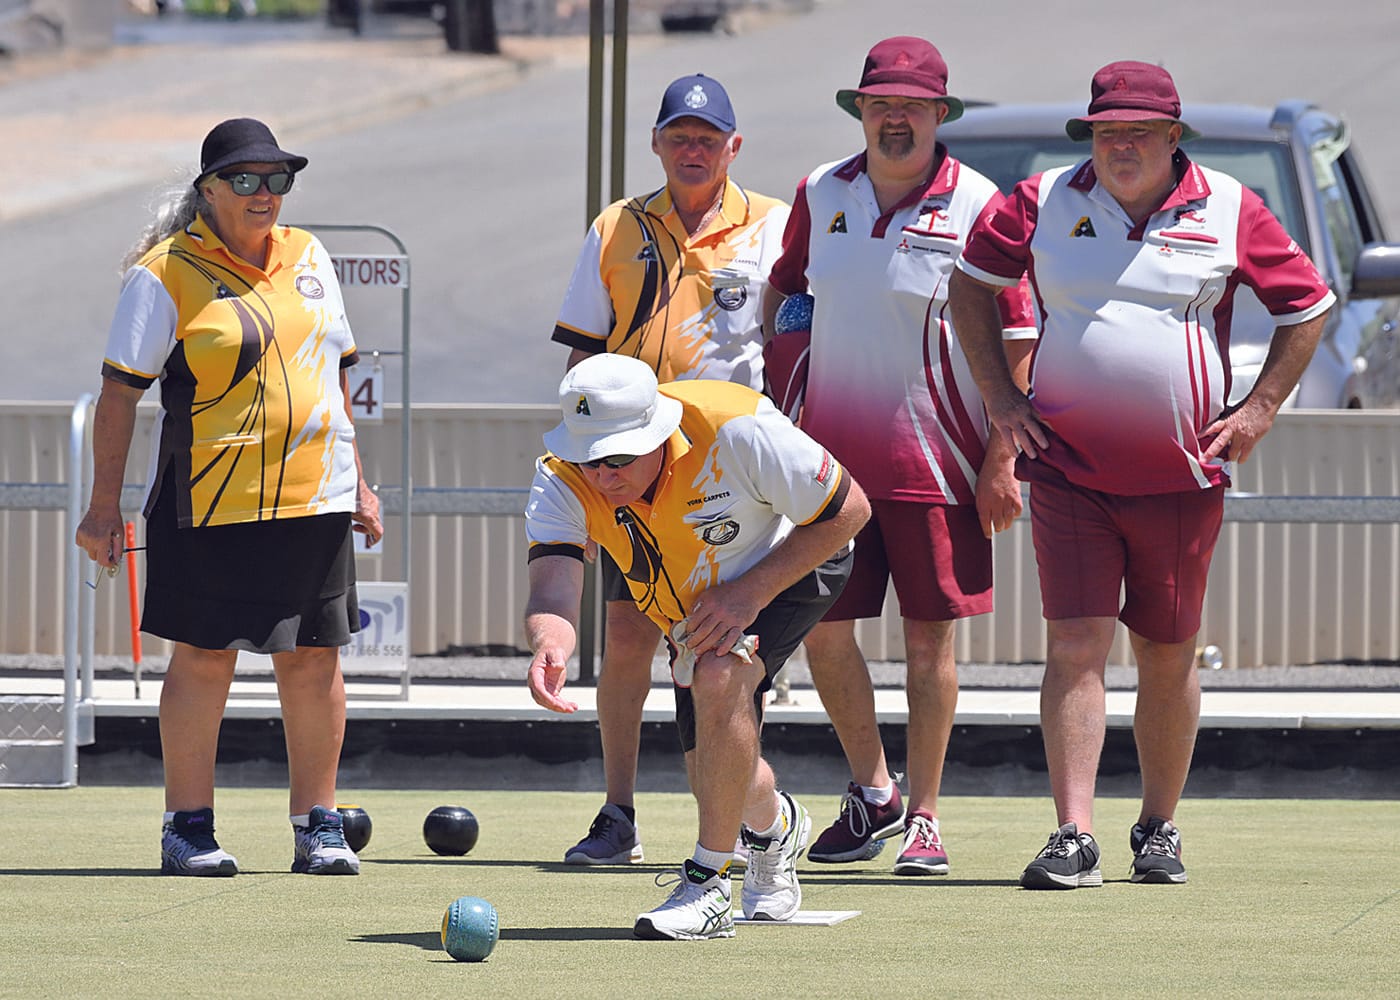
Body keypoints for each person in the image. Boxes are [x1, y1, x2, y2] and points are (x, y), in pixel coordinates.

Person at [949, 61, 1335, 888]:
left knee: (1167, 651)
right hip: (1068, 471)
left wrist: (1260, 408)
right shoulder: (1039, 200)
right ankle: (1073, 833)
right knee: (1075, 643)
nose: (1120, 146)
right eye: (1106, 132)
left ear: (1172, 137)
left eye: (1138, 132)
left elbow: (1309, 307)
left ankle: (1159, 827)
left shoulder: (1229, 204)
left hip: (1182, 475)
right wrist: (1001, 401)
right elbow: (969, 289)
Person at [75, 117, 383, 878]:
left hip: (314, 496)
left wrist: (360, 481)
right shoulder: (162, 273)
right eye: (244, 179)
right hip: (209, 500)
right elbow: (118, 396)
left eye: (278, 178)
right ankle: (187, 828)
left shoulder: (310, 254)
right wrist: (103, 507)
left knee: (314, 659)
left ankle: (318, 826)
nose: (263, 193)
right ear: (208, 189)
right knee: (205, 659)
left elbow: (334, 375)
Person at [761, 36, 1037, 876]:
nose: (894, 119)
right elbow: (786, 288)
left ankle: (925, 817)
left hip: (939, 461)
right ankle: (874, 790)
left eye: (911, 107)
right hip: (829, 471)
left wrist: (1001, 459)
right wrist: (785, 379)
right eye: (879, 104)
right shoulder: (821, 189)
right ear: (859, 110)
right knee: (824, 635)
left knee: (928, 647)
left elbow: (1018, 337)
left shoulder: (981, 202)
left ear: (940, 114)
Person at [523, 354, 869, 940]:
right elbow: (552, 583)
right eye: (589, 457)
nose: (602, 476)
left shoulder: (738, 428)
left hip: (796, 558)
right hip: (693, 603)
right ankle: (777, 826)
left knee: (718, 671)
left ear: (658, 432)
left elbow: (850, 509)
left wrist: (748, 594)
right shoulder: (560, 477)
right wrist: (549, 643)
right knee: (712, 771)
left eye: (617, 457)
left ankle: (707, 885)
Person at [549, 73, 790, 866]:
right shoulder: (616, 225)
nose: (693, 150)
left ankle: (734, 823)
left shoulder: (776, 225)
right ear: (655, 143)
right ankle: (618, 811)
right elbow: (584, 353)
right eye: (679, 136)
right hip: (630, 465)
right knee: (626, 634)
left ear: (734, 146)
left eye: (708, 138)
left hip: (728, 474)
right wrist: (584, 463)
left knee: (725, 650)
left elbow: (793, 346)